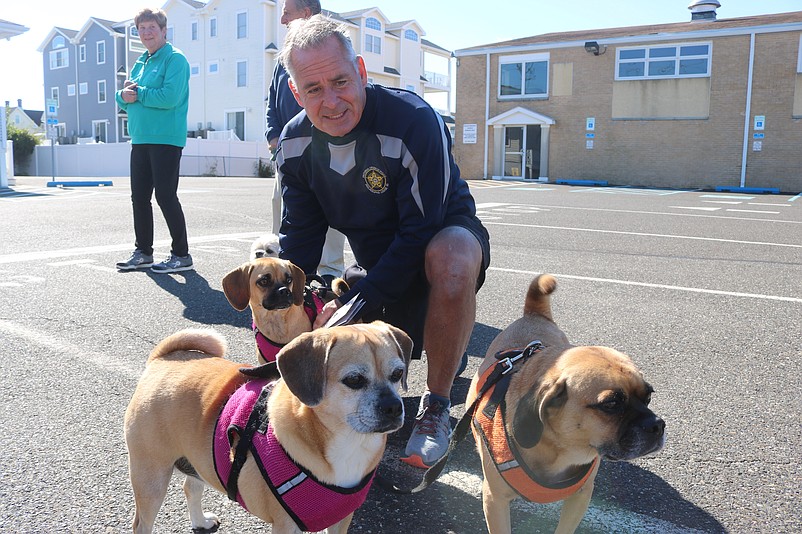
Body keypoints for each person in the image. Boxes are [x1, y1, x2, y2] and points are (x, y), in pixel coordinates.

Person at [275, 15, 491, 468]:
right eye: (313, 89)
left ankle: (435, 405)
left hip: (438, 240)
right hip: (377, 262)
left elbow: (420, 231)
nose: (331, 101)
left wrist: (358, 303)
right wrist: (286, 306)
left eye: (340, 81)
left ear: (361, 71)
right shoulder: (294, 142)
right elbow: (302, 237)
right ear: (296, 93)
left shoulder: (414, 120)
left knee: (449, 256)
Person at [266, 0, 346, 285]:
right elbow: (272, 101)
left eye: (287, 12)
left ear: (306, 14)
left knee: (331, 209)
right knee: (283, 206)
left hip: (326, 148)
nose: (282, 19)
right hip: (288, 152)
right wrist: (274, 135)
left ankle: (331, 274)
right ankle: (283, 275)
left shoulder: (331, 55)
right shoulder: (281, 60)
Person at [115, 8, 193, 273]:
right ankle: (143, 252)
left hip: (166, 140)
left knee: (165, 196)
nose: (146, 33)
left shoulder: (175, 59)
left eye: (151, 27)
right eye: (141, 28)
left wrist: (138, 95)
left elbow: (169, 97)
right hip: (140, 139)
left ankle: (181, 255)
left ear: (163, 31)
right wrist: (121, 96)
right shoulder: (141, 62)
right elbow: (125, 97)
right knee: (139, 198)